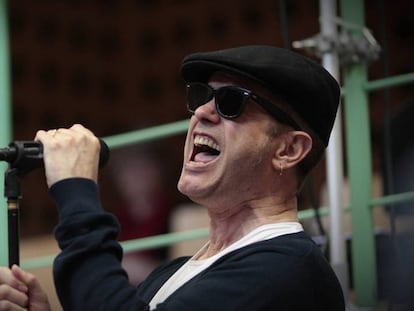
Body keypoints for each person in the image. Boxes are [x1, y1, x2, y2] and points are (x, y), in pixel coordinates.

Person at [0, 45, 345, 310]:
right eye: (201, 96)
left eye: (231, 102)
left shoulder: (286, 269)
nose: (202, 111)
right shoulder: (175, 274)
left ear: (288, 150)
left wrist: (75, 190)